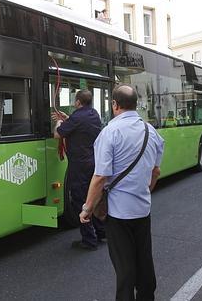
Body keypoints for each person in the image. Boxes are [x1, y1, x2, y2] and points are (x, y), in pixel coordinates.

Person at [79, 84, 164, 301]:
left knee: (124, 268)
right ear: (135, 104)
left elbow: (100, 178)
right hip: (143, 210)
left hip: (118, 214)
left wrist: (87, 208)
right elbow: (155, 171)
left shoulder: (110, 132)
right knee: (144, 261)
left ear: (115, 105)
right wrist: (144, 192)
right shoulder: (151, 131)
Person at [52, 90, 104, 250]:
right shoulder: (94, 114)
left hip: (79, 165)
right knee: (93, 199)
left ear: (77, 102)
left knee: (80, 200)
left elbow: (57, 134)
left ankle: (89, 240)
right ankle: (101, 232)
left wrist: (59, 122)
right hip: (93, 162)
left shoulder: (77, 117)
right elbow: (80, 126)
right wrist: (68, 119)